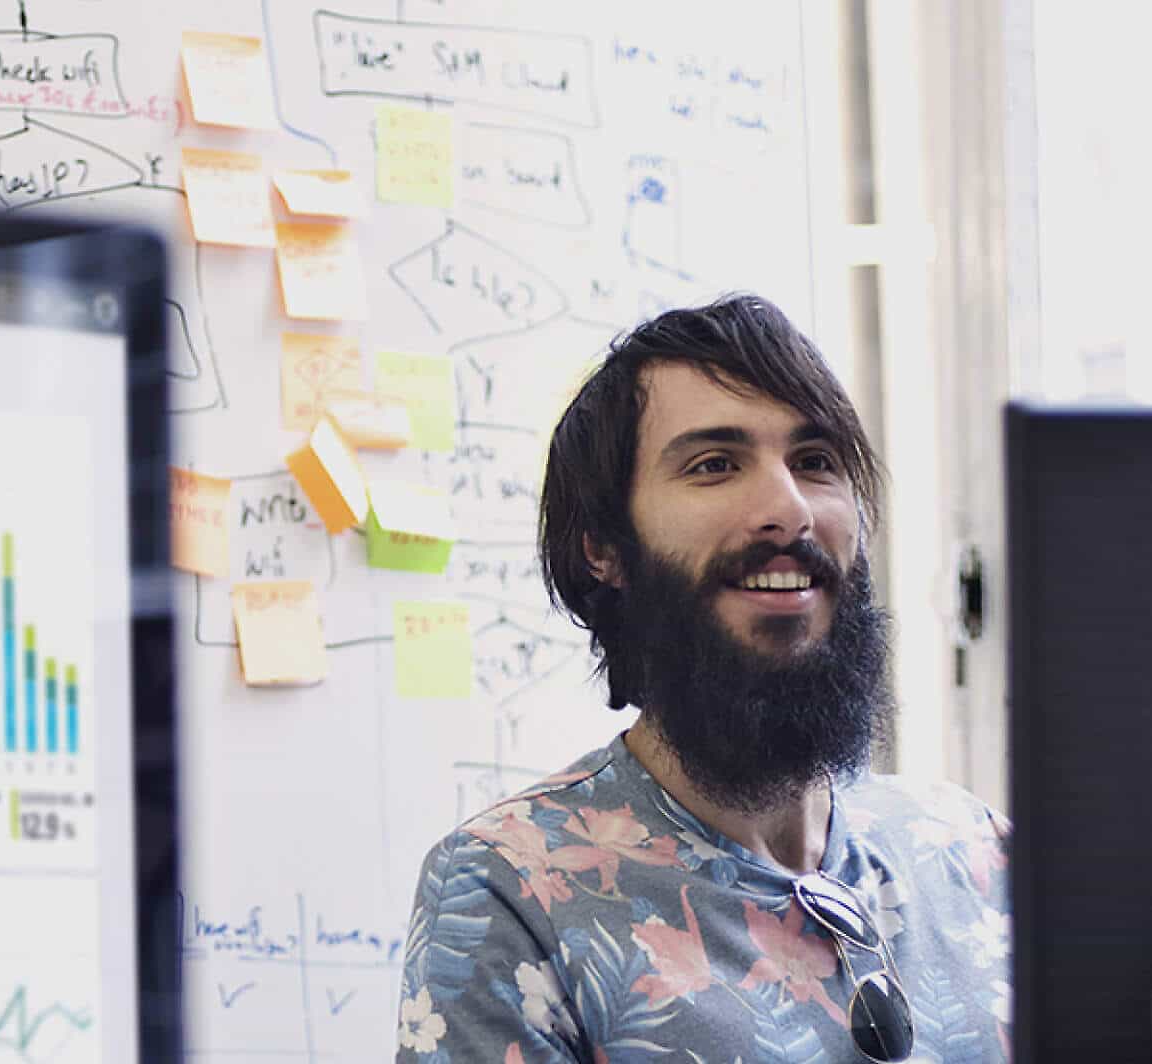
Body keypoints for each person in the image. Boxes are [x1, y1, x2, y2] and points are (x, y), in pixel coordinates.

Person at [395, 295, 1010, 1063]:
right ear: (603, 548)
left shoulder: (971, 851)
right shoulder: (510, 890)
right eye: (714, 465)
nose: (787, 511)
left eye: (815, 462)